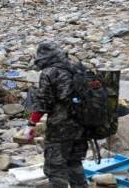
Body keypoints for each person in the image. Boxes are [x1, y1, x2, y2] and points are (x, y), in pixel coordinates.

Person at [26, 41, 87, 188]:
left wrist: (31, 124)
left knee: (55, 169)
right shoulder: (76, 68)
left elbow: (43, 103)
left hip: (60, 128)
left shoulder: (49, 73)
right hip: (82, 125)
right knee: (74, 163)